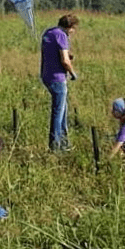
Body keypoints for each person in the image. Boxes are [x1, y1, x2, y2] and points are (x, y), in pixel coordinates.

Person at [40, 15, 80, 151]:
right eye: (74, 28)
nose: (74, 32)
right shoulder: (62, 35)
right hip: (58, 78)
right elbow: (64, 60)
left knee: (62, 110)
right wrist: (73, 73)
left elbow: (53, 53)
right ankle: (56, 145)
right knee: (58, 113)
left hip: (46, 75)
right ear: (70, 27)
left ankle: (64, 142)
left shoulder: (48, 32)